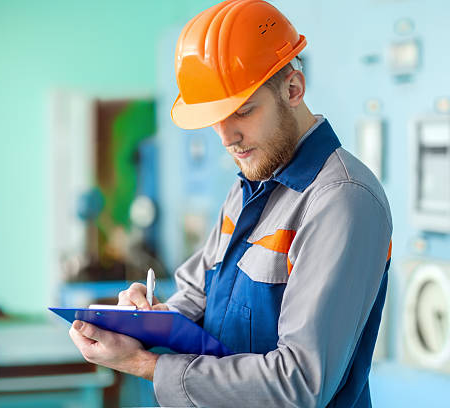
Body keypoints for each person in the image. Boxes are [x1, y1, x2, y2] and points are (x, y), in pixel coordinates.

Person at [69, 0, 393, 406]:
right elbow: (198, 294)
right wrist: (143, 321)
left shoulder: (342, 201)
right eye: (214, 118)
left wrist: (147, 366)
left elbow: (299, 384)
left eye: (242, 111)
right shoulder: (249, 186)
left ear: (293, 89)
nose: (226, 137)